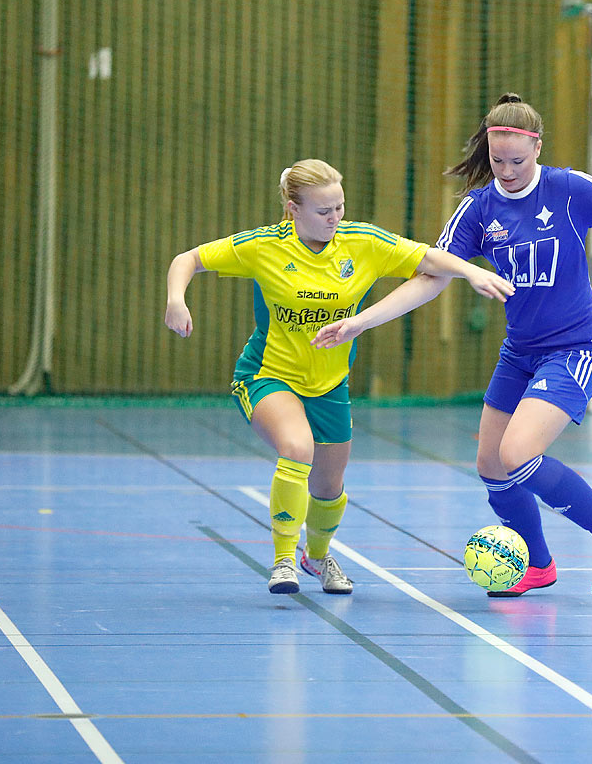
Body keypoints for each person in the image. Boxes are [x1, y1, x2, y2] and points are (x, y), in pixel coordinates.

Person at [314, 94, 592, 597]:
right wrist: (361, 322)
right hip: (520, 352)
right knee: (490, 463)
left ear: (536, 148)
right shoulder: (479, 207)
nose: (506, 170)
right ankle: (538, 564)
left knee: (519, 452)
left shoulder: (567, 189)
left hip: (576, 346)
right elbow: (430, 274)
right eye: (497, 161)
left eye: (516, 161)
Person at [164, 158, 513, 596]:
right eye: (324, 210)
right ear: (292, 210)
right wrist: (177, 299)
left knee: (329, 486)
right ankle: (283, 560)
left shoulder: (360, 242)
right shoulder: (265, 247)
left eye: (340, 207)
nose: (335, 218)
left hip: (330, 384)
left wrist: (471, 270)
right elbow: (188, 259)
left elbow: (426, 257)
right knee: (296, 448)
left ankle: (317, 554)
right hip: (267, 375)